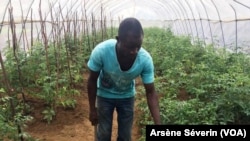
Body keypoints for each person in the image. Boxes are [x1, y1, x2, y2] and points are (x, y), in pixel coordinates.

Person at [87, 17, 161, 141]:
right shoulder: (101, 51)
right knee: (104, 133)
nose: (134, 51)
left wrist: (158, 125)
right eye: (130, 47)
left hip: (127, 97)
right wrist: (92, 109)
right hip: (104, 95)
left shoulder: (145, 59)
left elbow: (150, 92)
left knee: (125, 136)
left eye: (138, 46)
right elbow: (92, 80)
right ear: (118, 40)